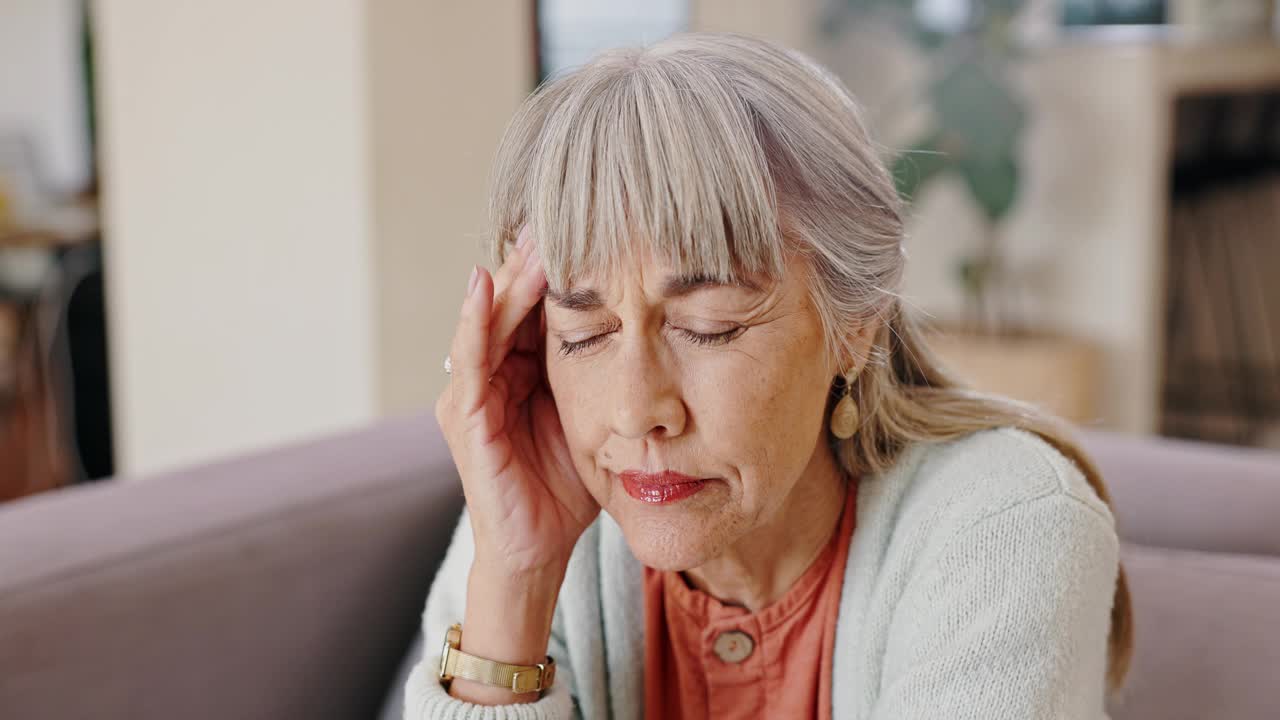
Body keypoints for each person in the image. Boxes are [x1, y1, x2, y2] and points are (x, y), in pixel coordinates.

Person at [408, 32, 1132, 719]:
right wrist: (515, 578)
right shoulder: (532, 519)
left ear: (856, 321)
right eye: (585, 332)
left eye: (709, 327)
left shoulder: (1004, 526)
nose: (635, 413)